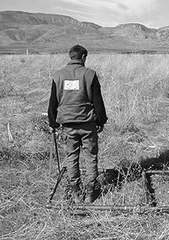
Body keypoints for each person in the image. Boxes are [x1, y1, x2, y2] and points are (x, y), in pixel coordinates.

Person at [48, 45, 108, 204]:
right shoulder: (90, 74)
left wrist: (53, 123)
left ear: (70, 57)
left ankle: (76, 193)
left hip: (67, 125)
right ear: (83, 57)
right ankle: (90, 194)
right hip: (88, 123)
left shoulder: (58, 75)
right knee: (90, 157)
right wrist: (101, 120)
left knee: (71, 157)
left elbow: (53, 101)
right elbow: (97, 101)